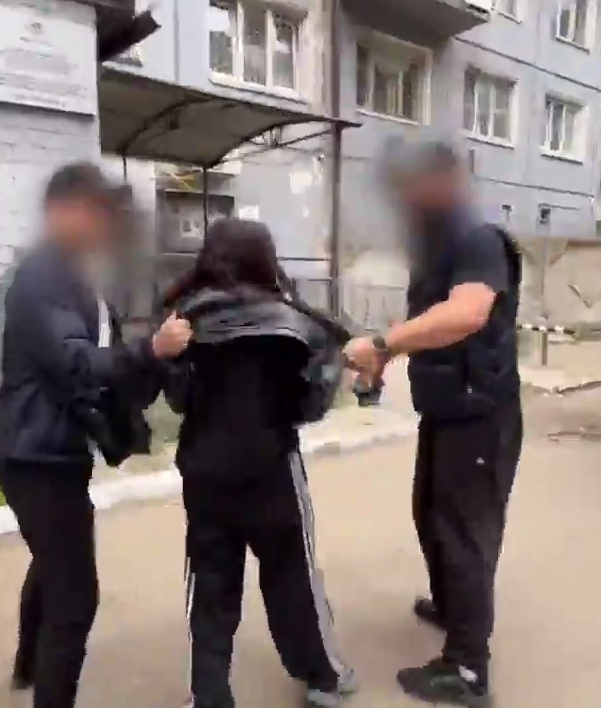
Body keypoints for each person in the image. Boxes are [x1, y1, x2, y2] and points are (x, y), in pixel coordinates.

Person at [0, 162, 193, 708]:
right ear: (61, 212)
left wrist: (147, 365)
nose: (105, 223)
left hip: (45, 451)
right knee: (76, 597)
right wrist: (152, 349)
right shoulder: (43, 276)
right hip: (38, 459)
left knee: (51, 563)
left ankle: (28, 667)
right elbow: (76, 362)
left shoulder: (71, 274)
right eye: (94, 211)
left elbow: (103, 364)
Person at [342, 143, 523, 707]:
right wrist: (384, 359)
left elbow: (467, 313)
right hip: (446, 410)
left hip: (480, 414)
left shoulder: (478, 239)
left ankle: (468, 670)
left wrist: (380, 343)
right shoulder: (437, 247)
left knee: (464, 534)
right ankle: (452, 607)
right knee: (431, 515)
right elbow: (426, 323)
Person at [160, 217, 356, 708]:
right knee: (293, 579)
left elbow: (178, 399)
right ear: (265, 260)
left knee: (210, 589)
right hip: (272, 471)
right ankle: (323, 678)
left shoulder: (182, 320)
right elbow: (311, 403)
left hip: (205, 474)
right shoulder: (294, 321)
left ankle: (210, 696)